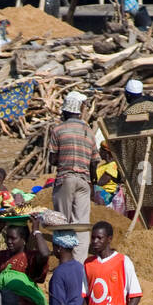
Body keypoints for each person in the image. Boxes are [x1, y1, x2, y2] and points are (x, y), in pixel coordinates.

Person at [48, 91, 98, 260]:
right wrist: (93, 184)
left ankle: (64, 261)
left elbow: (53, 158)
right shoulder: (88, 131)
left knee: (62, 222)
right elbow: (94, 162)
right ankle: (79, 264)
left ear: (66, 110)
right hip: (84, 181)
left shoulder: (58, 130)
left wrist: (63, 157)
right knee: (82, 226)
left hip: (66, 178)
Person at [0, 218, 50, 305]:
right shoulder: (3, 256)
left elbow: (45, 254)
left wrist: (36, 230)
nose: (8, 241)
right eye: (7, 238)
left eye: (13, 238)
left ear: (24, 240)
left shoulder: (30, 258)